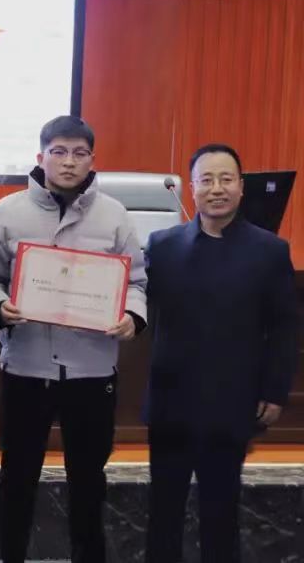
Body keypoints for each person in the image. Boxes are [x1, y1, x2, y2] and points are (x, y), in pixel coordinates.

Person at [0, 115, 147, 563]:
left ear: (92, 159)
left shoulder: (114, 215)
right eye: (58, 152)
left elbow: (136, 281)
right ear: (41, 157)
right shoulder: (8, 212)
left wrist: (133, 316)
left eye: (79, 153)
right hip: (26, 367)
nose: (69, 161)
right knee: (17, 478)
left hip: (92, 369)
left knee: (88, 481)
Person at [144, 143, 299, 563]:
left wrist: (274, 390)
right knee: (163, 514)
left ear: (241, 187)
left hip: (231, 403)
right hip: (171, 403)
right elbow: (135, 303)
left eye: (226, 179)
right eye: (207, 180)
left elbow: (284, 327)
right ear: (191, 187)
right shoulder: (162, 246)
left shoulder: (269, 251)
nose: (217, 188)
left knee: (221, 514)